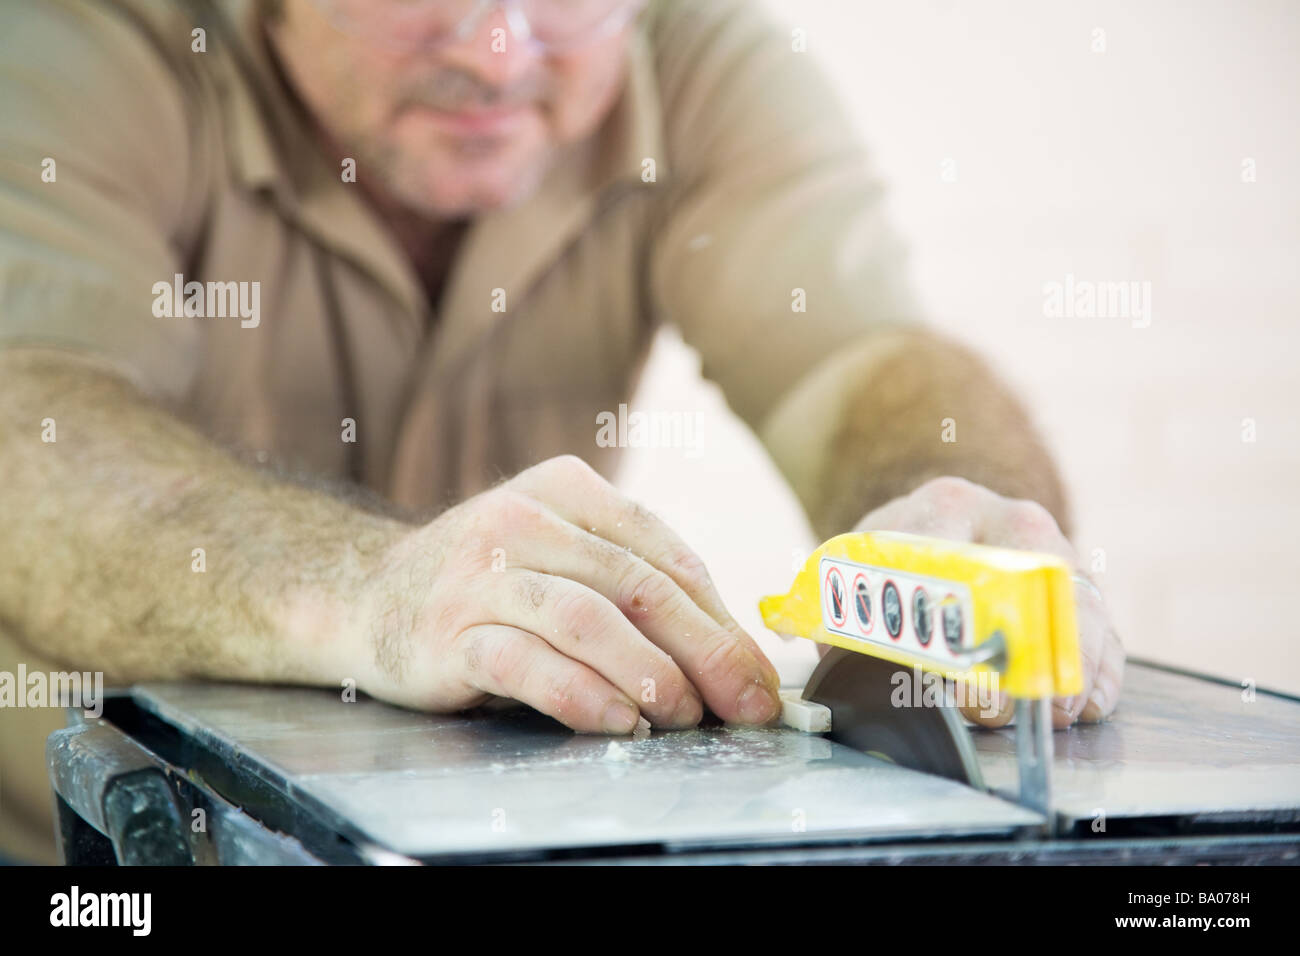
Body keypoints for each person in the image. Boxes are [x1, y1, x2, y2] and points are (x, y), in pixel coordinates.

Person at [0, 0, 1124, 863]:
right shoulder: (87, 42)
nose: (498, 52)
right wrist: (369, 585)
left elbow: (860, 360)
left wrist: (953, 518)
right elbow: (25, 427)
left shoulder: (690, 54)